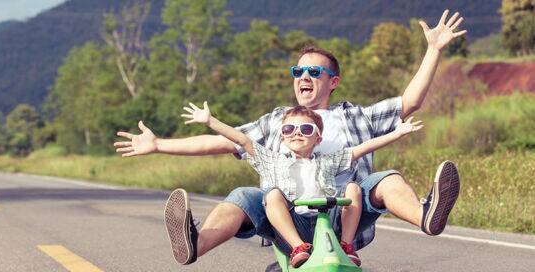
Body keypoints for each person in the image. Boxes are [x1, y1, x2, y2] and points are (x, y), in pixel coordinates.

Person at [117, 10, 464, 266]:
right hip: (288, 217)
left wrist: (433, 49)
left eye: (315, 71)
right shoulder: (277, 122)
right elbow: (226, 141)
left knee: (387, 179)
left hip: (346, 214)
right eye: (298, 71)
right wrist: (159, 144)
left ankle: (426, 216)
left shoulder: (356, 116)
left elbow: (410, 102)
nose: (304, 76)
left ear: (333, 82)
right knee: (243, 196)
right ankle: (194, 243)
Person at [179, 102, 423, 267]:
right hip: (291, 227)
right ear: (283, 136)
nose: (297, 133)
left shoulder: (329, 160)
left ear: (318, 138)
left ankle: (347, 246)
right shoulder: (271, 160)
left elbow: (363, 148)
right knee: (272, 194)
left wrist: (397, 133)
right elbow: (241, 139)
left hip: (329, 224)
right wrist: (210, 121)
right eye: (289, 129)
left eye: (306, 129)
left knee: (353, 188)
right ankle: (297, 249)